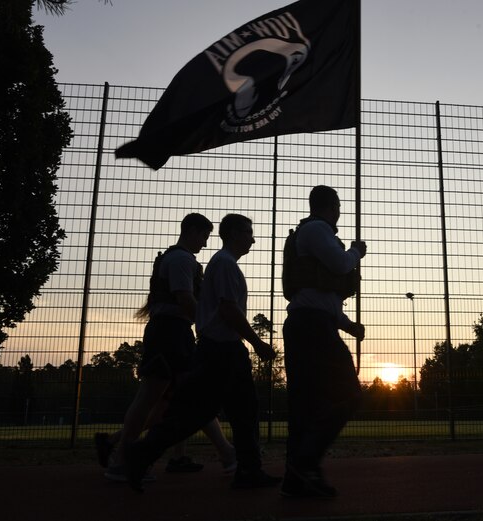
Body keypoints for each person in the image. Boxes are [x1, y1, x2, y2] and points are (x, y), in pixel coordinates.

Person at [124, 213, 280, 492]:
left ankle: (247, 468)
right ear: (232, 234)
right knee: (202, 413)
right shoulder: (225, 266)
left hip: (219, 348)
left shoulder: (221, 264)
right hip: (223, 350)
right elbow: (228, 309)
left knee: (227, 410)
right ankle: (140, 454)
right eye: (248, 232)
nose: (253, 239)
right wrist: (257, 343)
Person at [94, 213, 236, 481]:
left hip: (172, 331)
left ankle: (213, 454)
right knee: (153, 398)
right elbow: (185, 299)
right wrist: (208, 326)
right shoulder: (181, 260)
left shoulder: (176, 259)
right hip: (171, 332)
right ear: (192, 231)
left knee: (184, 398)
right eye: (204, 236)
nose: (205, 243)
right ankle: (123, 461)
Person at [280, 185, 366, 498]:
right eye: (338, 206)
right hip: (312, 327)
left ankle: (298, 479)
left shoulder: (310, 234)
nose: (340, 212)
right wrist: (357, 251)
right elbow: (341, 265)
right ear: (332, 206)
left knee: (306, 406)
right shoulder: (316, 229)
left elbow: (319, 296)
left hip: (311, 323)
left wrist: (348, 325)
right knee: (349, 394)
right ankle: (304, 463)